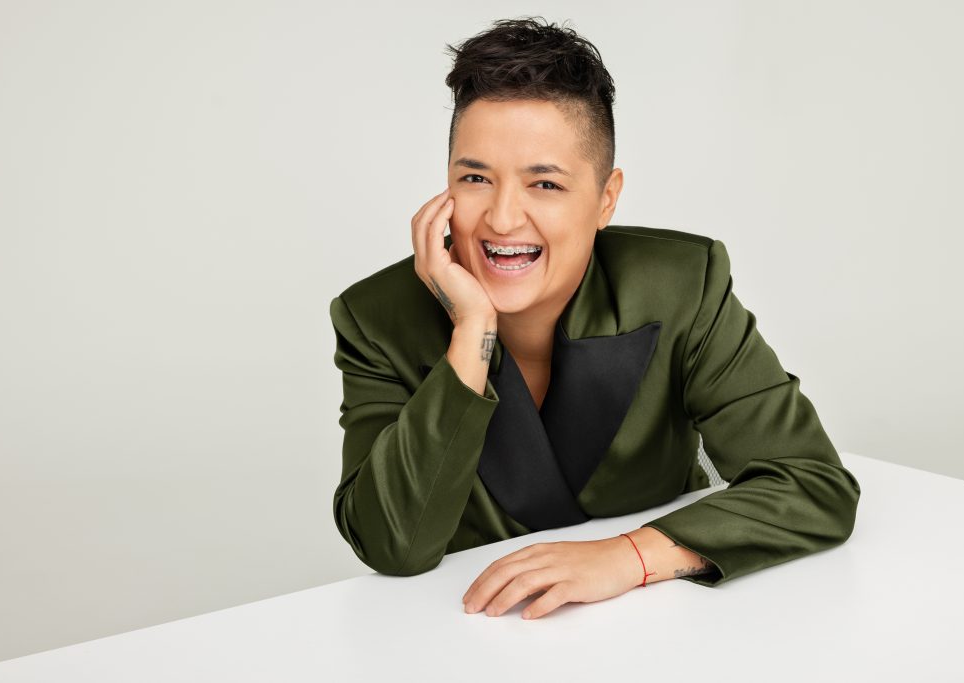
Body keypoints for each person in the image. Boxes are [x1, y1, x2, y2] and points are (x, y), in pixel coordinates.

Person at [328, 16, 860, 620]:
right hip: (475, 630)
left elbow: (812, 483)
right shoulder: (376, 318)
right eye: (475, 178)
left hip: (669, 616)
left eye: (545, 184)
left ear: (606, 199)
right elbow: (391, 545)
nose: (502, 219)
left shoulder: (682, 285)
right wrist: (471, 331)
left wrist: (626, 557)